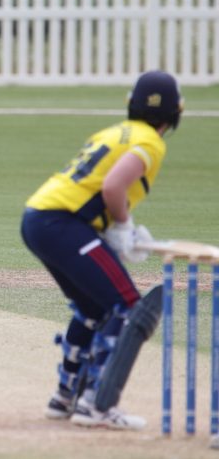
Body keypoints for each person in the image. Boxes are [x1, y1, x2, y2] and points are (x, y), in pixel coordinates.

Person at [21, 70, 184, 429]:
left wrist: (110, 228)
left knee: (92, 308)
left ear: (131, 103)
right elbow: (112, 187)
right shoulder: (151, 143)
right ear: (176, 112)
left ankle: (65, 396)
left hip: (37, 217)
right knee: (128, 307)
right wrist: (123, 226)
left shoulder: (114, 132)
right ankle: (96, 403)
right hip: (61, 223)